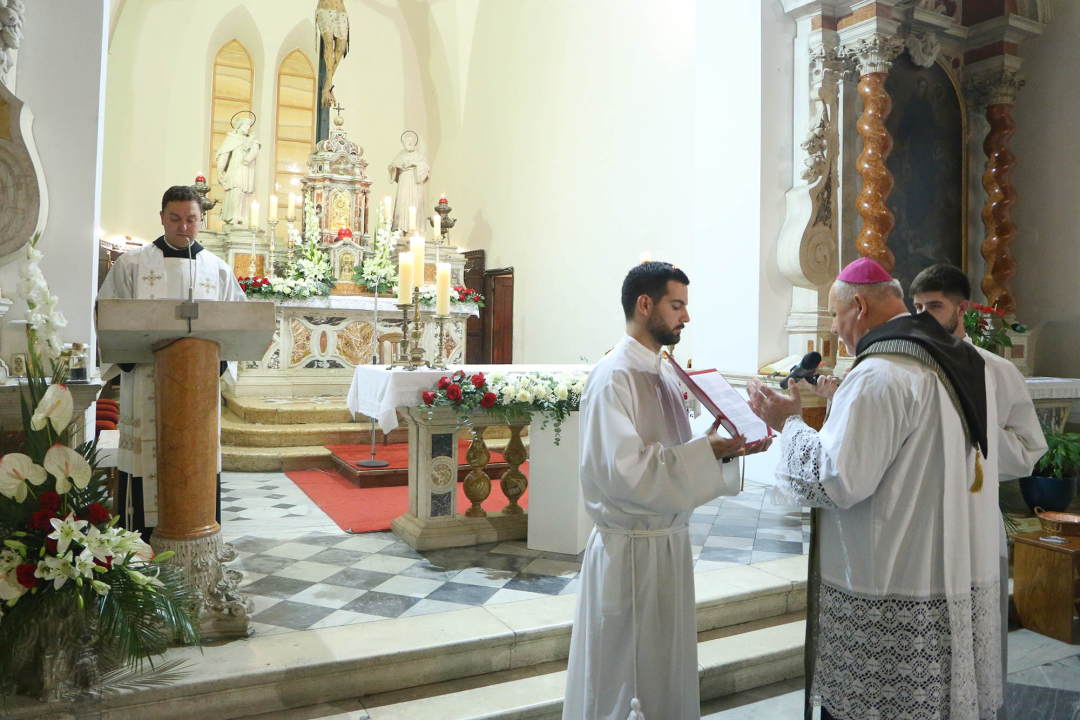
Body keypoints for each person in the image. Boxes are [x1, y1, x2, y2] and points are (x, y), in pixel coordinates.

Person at [748, 257, 1002, 720]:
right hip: (946, 572)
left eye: (833, 313)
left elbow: (835, 480)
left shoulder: (880, 372)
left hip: (891, 582)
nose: (834, 325)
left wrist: (787, 421)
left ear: (859, 306)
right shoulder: (955, 358)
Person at [562, 261, 771, 720]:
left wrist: (728, 445)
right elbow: (626, 473)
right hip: (630, 554)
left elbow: (678, 453)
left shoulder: (662, 374)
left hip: (667, 547)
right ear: (645, 305)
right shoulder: (613, 376)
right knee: (623, 678)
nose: (686, 317)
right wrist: (706, 452)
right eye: (677, 305)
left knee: (666, 673)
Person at [911, 263, 1046, 720]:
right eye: (918, 307)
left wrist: (975, 440)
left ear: (962, 308)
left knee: (979, 638)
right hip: (930, 525)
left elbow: (1030, 448)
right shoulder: (913, 368)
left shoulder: (996, 369)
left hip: (977, 516)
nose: (925, 315)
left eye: (935, 306)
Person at [97, 185, 246, 540]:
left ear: (201, 220)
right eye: (175, 218)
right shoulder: (133, 265)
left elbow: (239, 325)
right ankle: (139, 553)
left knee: (198, 466)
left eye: (191, 219)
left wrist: (220, 365)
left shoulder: (218, 269)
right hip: (145, 383)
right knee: (145, 465)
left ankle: (198, 546)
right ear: (162, 217)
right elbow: (107, 317)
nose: (183, 227)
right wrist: (129, 358)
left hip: (199, 390)